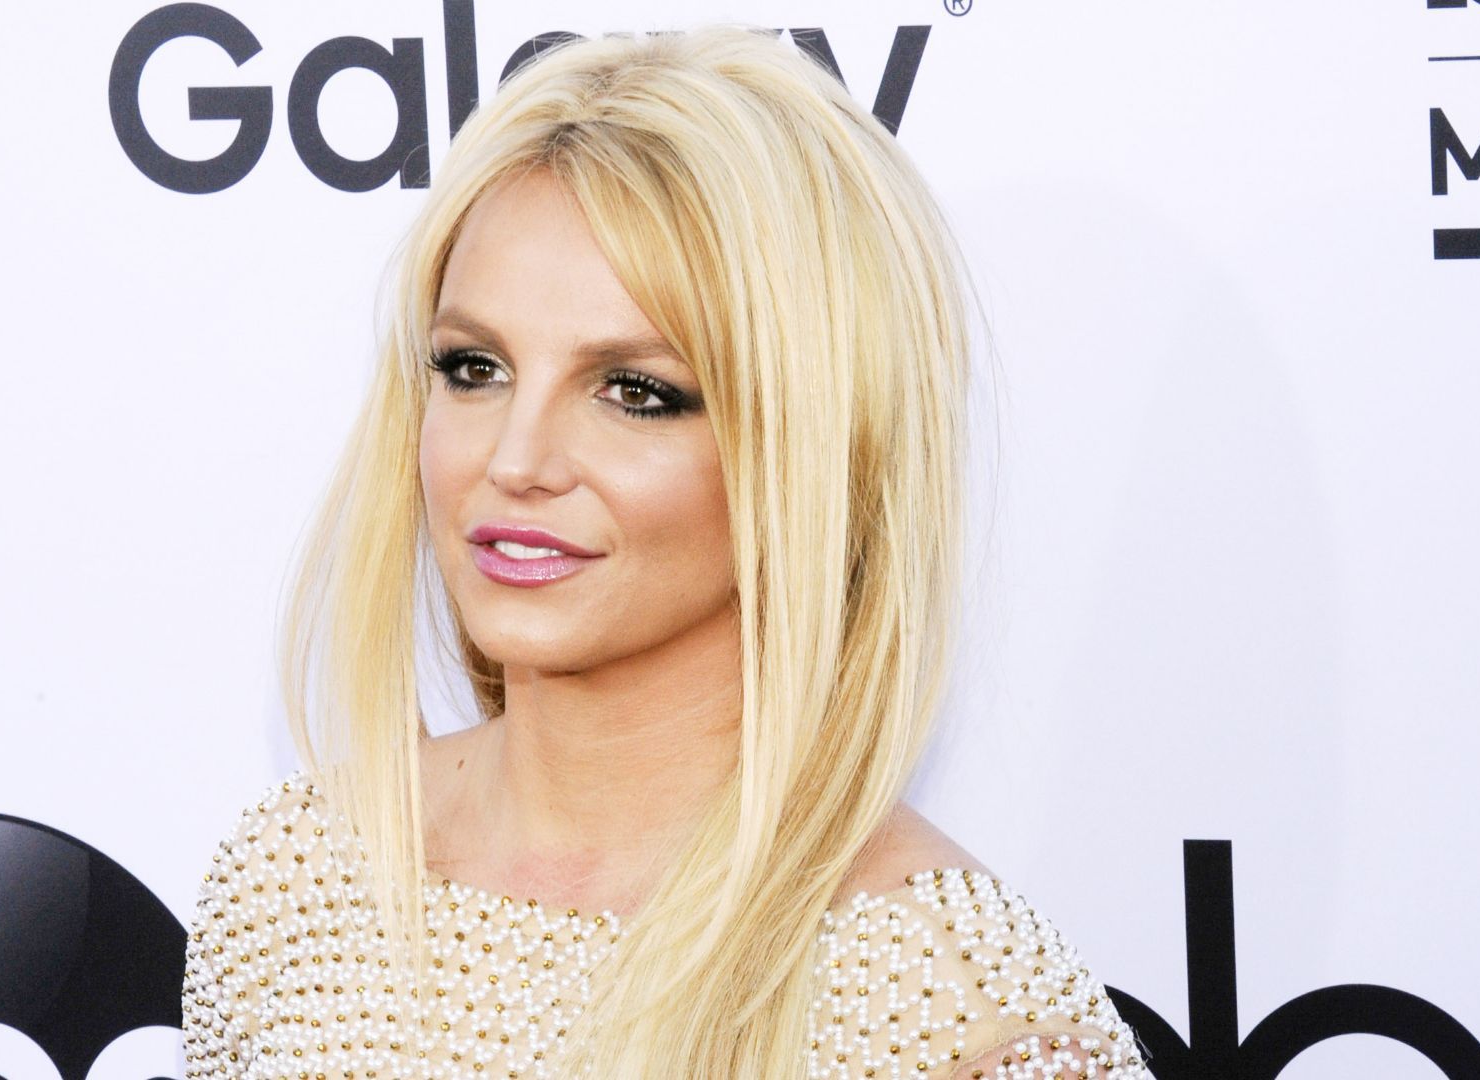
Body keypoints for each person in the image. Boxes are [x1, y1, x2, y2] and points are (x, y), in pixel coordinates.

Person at [179, 24, 1153, 1080]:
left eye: (635, 392)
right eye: (474, 368)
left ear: (816, 449)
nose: (516, 460)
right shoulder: (295, 881)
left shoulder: (958, 1010)